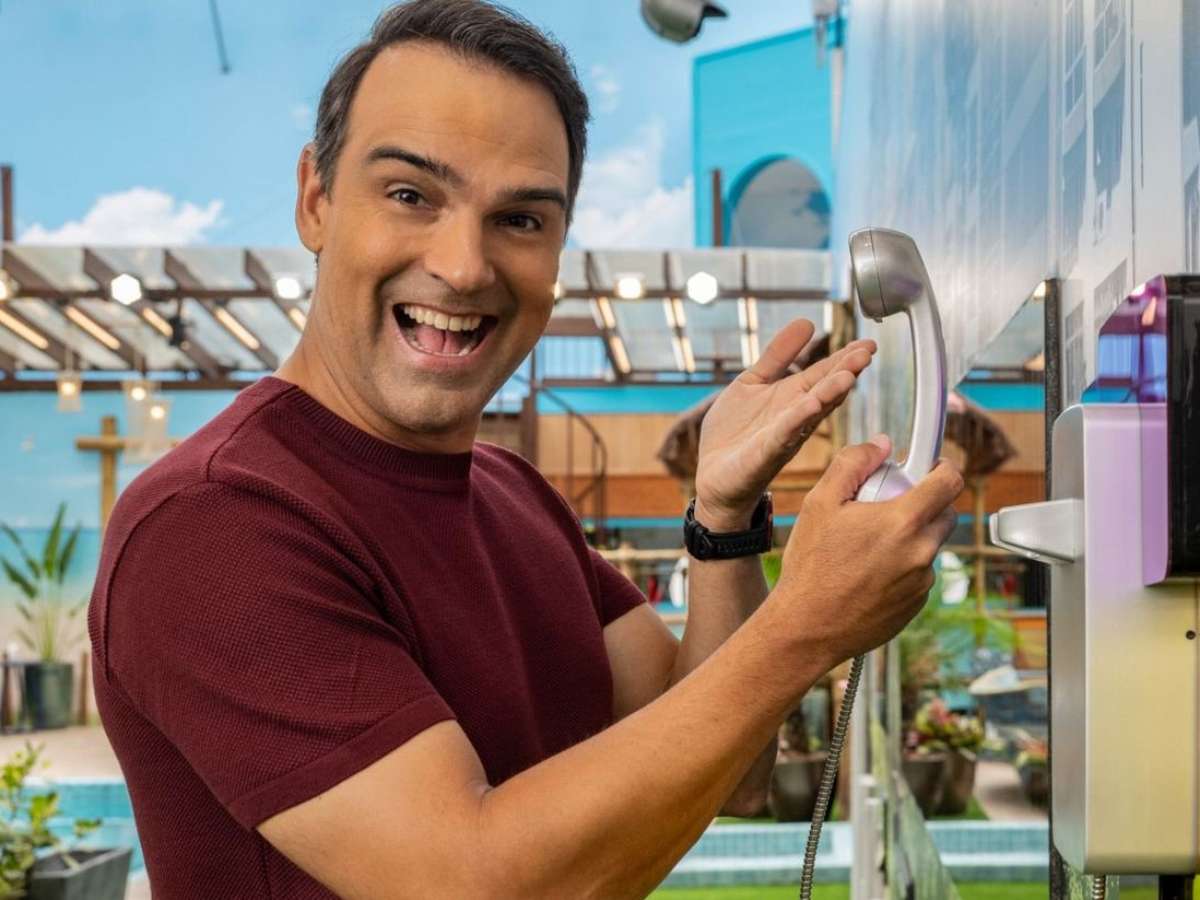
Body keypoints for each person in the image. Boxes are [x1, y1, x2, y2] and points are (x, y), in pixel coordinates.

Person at [87, 2, 963, 897]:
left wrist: (725, 518)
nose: (465, 266)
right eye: (410, 195)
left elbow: (723, 761)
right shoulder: (212, 522)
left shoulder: (512, 491)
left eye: (520, 219)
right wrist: (806, 621)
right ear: (316, 198)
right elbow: (474, 883)